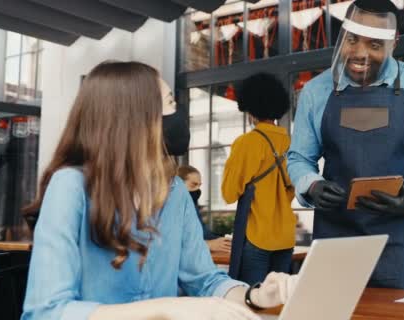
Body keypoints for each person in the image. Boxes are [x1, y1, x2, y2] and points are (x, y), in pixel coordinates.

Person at [21, 61, 296, 320]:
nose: (179, 115)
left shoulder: (175, 190)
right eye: (169, 103)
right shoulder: (71, 185)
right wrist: (165, 309)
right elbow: (47, 312)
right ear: (133, 117)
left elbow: (205, 281)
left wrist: (256, 295)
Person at [287, 0, 404, 291]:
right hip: (334, 240)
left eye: (374, 44)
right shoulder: (315, 91)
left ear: (393, 43)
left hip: (399, 241)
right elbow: (298, 158)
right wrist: (312, 185)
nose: (360, 54)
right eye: (352, 40)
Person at [222, 73, 296, 285]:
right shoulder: (290, 142)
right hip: (285, 237)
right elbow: (292, 188)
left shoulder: (247, 143)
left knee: (251, 303)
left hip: (256, 237)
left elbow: (229, 193)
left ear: (249, 108)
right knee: (276, 304)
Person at [178, 165, 232, 254]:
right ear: (179, 184)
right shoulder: (167, 208)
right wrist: (209, 244)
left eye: (199, 185)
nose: (197, 190)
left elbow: (203, 233)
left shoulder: (192, 206)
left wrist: (223, 241)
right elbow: (173, 242)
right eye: (194, 185)